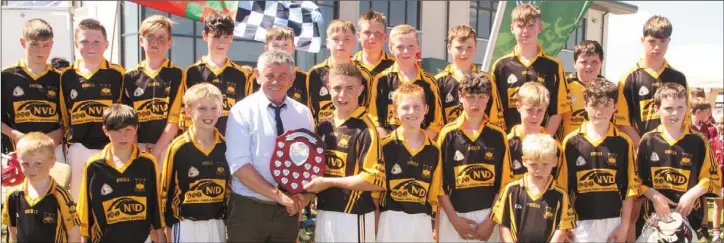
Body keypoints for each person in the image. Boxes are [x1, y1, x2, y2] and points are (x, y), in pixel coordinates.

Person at [225, 50, 316, 242]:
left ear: (292, 79)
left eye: (283, 76)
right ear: (257, 76)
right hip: (249, 210)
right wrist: (278, 196)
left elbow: (307, 161)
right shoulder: (241, 111)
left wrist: (303, 197)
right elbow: (239, 167)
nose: (276, 82)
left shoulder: (303, 114)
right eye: (270, 75)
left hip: (287, 212)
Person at [302, 63, 386, 242]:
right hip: (324, 212)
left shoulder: (367, 128)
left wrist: (328, 182)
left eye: (350, 88)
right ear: (328, 89)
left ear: (361, 89)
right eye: (337, 88)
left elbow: (373, 180)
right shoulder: (323, 125)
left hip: (354, 215)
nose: (342, 95)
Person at [636, 83, 721, 242]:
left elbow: (713, 178)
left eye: (680, 107)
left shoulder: (698, 141)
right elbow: (635, 180)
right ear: (656, 109)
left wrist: (692, 195)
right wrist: (655, 196)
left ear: (687, 108)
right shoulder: (648, 140)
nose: (675, 113)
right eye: (668, 108)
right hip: (653, 222)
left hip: (688, 221)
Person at [561, 79, 638, 242]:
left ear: (616, 107)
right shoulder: (571, 142)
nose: (600, 111)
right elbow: (563, 188)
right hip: (579, 224)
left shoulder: (624, 142)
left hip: (612, 223)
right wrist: (564, 224)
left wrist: (624, 228)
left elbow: (629, 189)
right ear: (585, 105)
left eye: (606, 105)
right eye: (595, 105)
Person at [76, 104, 165, 243]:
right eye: (117, 131)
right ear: (105, 130)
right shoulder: (94, 165)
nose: (123, 136)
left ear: (136, 129)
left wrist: (160, 234)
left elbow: (156, 205)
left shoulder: (148, 162)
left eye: (128, 130)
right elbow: (85, 211)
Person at [436, 72, 509, 242]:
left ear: (489, 98)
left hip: (488, 217)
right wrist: (454, 220)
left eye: (482, 97)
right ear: (460, 96)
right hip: (454, 216)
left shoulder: (498, 135)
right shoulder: (447, 134)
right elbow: (439, 184)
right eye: (470, 97)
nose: (476, 103)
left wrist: (490, 222)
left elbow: (504, 184)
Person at [59, 18, 125, 201]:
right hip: (78, 148)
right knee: (77, 198)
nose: (91, 47)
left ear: (106, 44)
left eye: (96, 42)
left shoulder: (117, 73)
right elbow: (65, 115)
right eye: (84, 41)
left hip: (109, 147)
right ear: (75, 44)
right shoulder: (66, 76)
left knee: (108, 197)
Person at [161, 83, 229, 242]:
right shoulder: (178, 147)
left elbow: (230, 190)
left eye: (214, 108)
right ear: (188, 111)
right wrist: (168, 230)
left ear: (220, 111)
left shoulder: (226, 146)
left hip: (216, 223)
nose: (209, 114)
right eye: (202, 108)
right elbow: (166, 192)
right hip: (185, 225)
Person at [489, 3, 571, 135]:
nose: (525, 30)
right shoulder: (501, 66)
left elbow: (559, 110)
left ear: (540, 28)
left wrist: (543, 140)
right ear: (512, 28)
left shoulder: (554, 65)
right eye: (520, 26)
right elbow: (493, 109)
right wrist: (504, 140)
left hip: (540, 145)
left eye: (531, 25)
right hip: (509, 143)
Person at [377, 83, 443, 242]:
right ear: (394, 111)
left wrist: (436, 231)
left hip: (421, 221)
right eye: (405, 107)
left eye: (416, 107)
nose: (411, 112)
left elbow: (436, 196)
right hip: (389, 221)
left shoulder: (434, 150)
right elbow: (375, 193)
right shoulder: (384, 146)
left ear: (426, 109)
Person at [122, 15, 184, 162]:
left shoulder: (178, 74)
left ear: (170, 43)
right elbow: (129, 119)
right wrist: (136, 150)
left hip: (166, 147)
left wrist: (156, 152)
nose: (156, 41)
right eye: (150, 36)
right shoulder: (129, 77)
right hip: (136, 147)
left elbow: (174, 120)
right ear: (141, 41)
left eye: (162, 37)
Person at [493, 133, 576, 242]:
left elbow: (560, 230)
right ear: (524, 161)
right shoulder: (511, 190)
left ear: (555, 161)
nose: (539, 170)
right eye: (533, 164)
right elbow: (503, 225)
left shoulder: (560, 195)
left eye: (545, 164)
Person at [1, 19, 64, 160]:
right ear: (23, 43)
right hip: (16, 151)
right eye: (34, 44)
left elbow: (68, 118)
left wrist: (57, 135)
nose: (40, 50)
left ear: (52, 45)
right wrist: (16, 135)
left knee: (55, 183)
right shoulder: (5, 76)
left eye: (46, 45)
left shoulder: (60, 78)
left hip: (52, 150)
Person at [181, 10, 252, 135]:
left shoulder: (242, 75)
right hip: (201, 143)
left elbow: (248, 112)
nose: (221, 43)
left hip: (232, 141)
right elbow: (185, 113)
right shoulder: (192, 72)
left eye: (225, 37)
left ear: (231, 38)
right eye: (215, 36)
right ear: (204, 36)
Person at [1, 132, 80, 242]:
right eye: (25, 164)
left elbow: (74, 233)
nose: (32, 169)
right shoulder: (13, 195)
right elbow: (13, 231)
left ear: (52, 162)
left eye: (38, 163)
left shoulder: (60, 195)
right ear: (18, 162)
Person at [368, 24, 444, 139]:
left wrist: (416, 145)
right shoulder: (381, 80)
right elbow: (375, 119)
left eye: (411, 46)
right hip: (389, 148)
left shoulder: (429, 82)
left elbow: (435, 124)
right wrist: (389, 144)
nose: (405, 51)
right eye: (400, 47)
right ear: (390, 48)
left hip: (419, 149)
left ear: (417, 47)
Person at [436, 25, 505, 129]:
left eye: (469, 48)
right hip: (449, 143)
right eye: (459, 48)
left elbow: (496, 120)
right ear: (449, 47)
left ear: (475, 49)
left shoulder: (487, 80)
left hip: (481, 142)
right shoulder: (438, 82)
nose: (464, 53)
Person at [502, 82, 566, 190]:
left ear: (546, 109)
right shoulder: (507, 143)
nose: (535, 116)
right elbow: (502, 185)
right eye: (529, 110)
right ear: (518, 107)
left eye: (540, 110)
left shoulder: (555, 147)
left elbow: (561, 186)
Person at [307, 19, 373, 121]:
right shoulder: (314, 73)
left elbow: (367, 110)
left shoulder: (363, 74)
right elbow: (309, 110)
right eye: (336, 39)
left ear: (354, 43)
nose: (341, 43)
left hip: (353, 132)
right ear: (328, 43)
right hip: (322, 132)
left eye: (346, 39)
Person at [246, 27, 310, 106]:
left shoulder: (304, 79)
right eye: (275, 45)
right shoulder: (253, 77)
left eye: (285, 45)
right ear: (266, 48)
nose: (281, 50)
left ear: (293, 48)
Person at [560, 40, 606, 138]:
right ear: (574, 63)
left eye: (594, 62)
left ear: (601, 63)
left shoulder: (608, 89)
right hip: (569, 146)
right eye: (584, 62)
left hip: (599, 148)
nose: (589, 66)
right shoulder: (563, 86)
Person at [353, 9, 395, 78]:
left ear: (385, 37)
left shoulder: (395, 65)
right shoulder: (350, 64)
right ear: (358, 36)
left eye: (378, 33)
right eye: (367, 32)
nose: (372, 37)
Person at [712, 109, 724, 242]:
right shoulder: (715, 140)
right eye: (718, 123)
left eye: (723, 123)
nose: (720, 126)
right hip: (719, 180)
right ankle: (716, 235)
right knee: (717, 205)